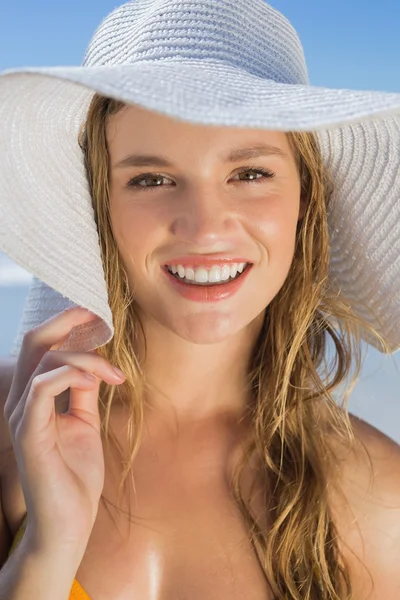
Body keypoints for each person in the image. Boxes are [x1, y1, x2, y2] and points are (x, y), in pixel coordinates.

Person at [0, 0, 399, 598]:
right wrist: (47, 547)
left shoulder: (379, 497)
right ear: (98, 208)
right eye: (151, 179)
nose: (205, 227)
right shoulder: (17, 432)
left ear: (306, 200)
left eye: (250, 173)